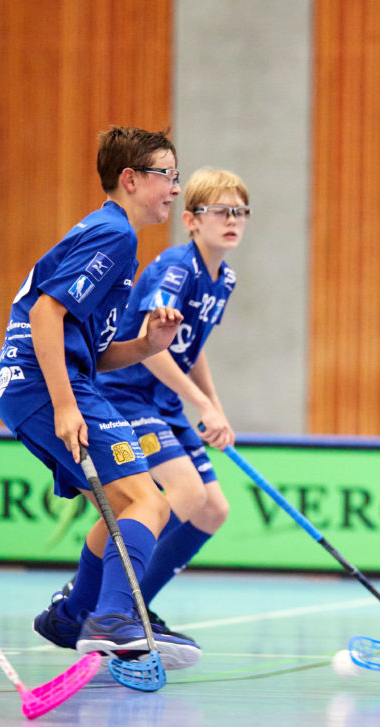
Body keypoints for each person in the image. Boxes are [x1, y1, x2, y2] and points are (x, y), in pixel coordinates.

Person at [0, 125, 200, 669]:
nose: (175, 188)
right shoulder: (114, 235)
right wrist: (65, 405)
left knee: (122, 508)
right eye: (166, 176)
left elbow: (89, 350)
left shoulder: (111, 236)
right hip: (44, 384)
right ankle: (111, 618)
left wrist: (147, 345)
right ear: (130, 179)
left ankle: (73, 615)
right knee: (150, 501)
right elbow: (46, 313)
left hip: (40, 383)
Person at [89, 167, 249, 632]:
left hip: (164, 402)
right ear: (191, 220)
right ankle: (101, 601)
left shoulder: (224, 279)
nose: (232, 219)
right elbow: (153, 345)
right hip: (126, 394)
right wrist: (202, 404)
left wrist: (214, 406)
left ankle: (138, 604)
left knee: (213, 509)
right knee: (187, 492)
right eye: (220, 211)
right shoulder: (177, 268)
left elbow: (191, 347)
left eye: (240, 211)